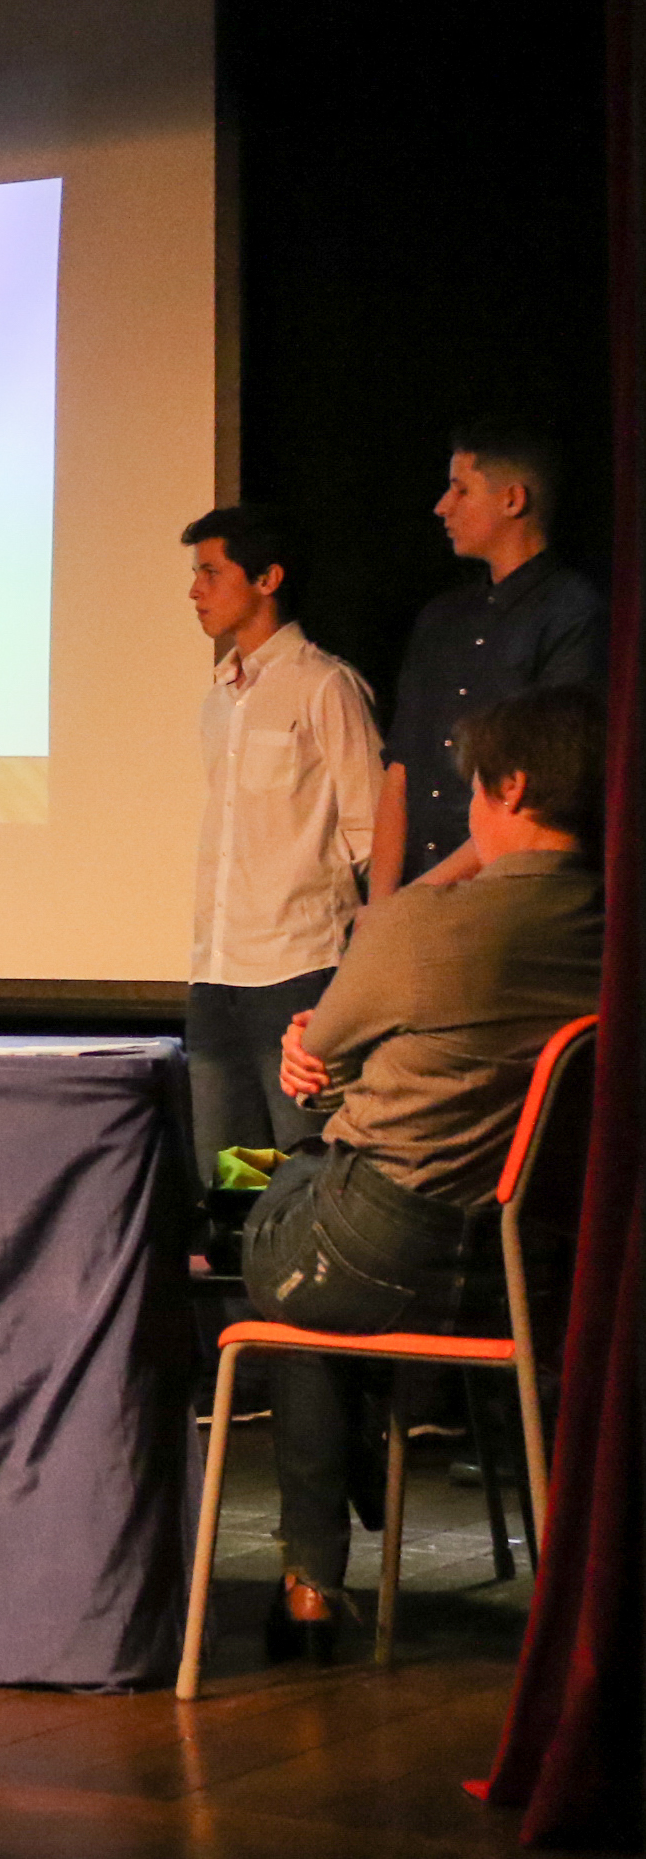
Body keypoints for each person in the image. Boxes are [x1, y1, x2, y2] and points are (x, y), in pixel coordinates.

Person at [250, 684, 605, 1654]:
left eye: (475, 792)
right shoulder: (612, 930)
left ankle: (310, 1583)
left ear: (513, 788)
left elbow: (321, 1069)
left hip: (382, 1245)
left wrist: (305, 1051)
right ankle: (342, 1521)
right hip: (535, 1270)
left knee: (278, 1210)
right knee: (312, 1232)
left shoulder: (424, 924)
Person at [181, 506, 380, 1171]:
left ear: (266, 579)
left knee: (303, 1162)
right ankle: (245, 1242)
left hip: (298, 970)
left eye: (212, 572)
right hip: (217, 972)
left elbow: (371, 832)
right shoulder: (219, 699)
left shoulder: (325, 686)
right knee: (233, 1170)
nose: (196, 591)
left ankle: (294, 1242)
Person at [369, 419, 603, 899]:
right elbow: (401, 770)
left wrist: (417, 899)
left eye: (461, 489)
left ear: (513, 500)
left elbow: (540, 791)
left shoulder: (572, 611)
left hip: (505, 898)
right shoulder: (441, 618)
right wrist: (382, 902)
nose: (442, 506)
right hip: (418, 896)